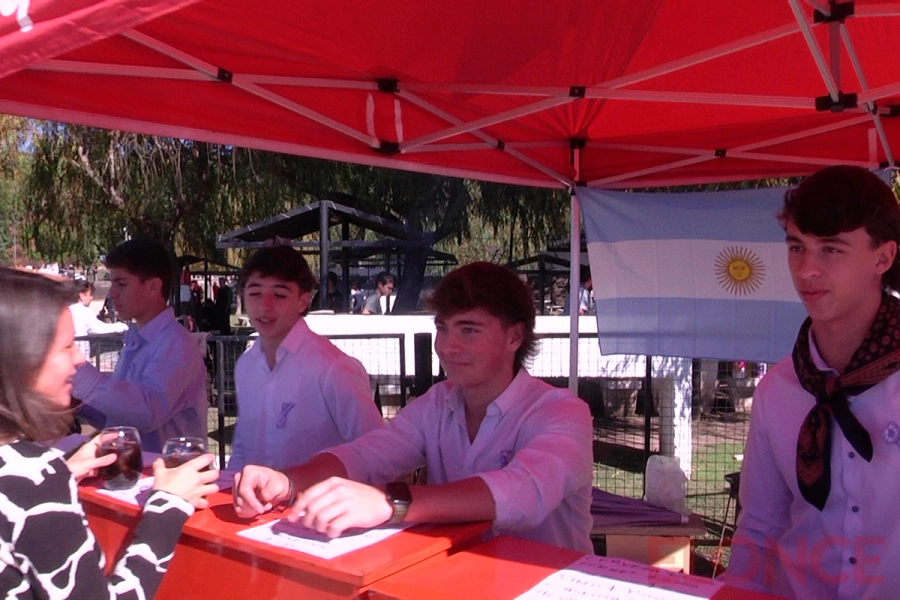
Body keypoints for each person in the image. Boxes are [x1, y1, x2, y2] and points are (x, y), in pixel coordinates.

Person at [233, 261, 594, 552]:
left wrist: (390, 503)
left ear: (515, 336)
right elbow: (368, 454)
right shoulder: (438, 403)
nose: (448, 346)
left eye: (468, 330)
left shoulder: (562, 412)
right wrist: (286, 480)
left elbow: (524, 492)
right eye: (443, 328)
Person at [724, 165, 900, 597]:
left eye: (831, 250)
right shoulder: (778, 390)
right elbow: (759, 529)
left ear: (884, 257)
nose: (806, 270)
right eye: (797, 247)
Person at [0, 268, 219, 598]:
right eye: (66, 347)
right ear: (20, 359)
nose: (78, 361)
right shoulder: (33, 478)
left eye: (121, 282)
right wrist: (169, 506)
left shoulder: (32, 475)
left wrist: (62, 472)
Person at [226, 246, 383, 471]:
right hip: (254, 503)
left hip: (320, 503)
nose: (264, 306)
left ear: (303, 300)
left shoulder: (332, 368)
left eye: (279, 295)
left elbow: (375, 452)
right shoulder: (246, 366)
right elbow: (243, 448)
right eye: (254, 293)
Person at [71, 238, 208, 453]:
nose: (112, 293)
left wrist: (77, 371)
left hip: (175, 475)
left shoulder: (176, 343)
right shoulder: (139, 339)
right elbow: (117, 417)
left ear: (154, 286)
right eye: (112, 283)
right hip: (145, 473)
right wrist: (76, 402)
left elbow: (147, 412)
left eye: (122, 284)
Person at [68, 280, 129, 358]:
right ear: (81, 296)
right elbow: (99, 328)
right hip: (79, 358)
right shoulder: (82, 311)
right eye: (90, 294)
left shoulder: (63, 309)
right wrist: (122, 327)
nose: (91, 298)